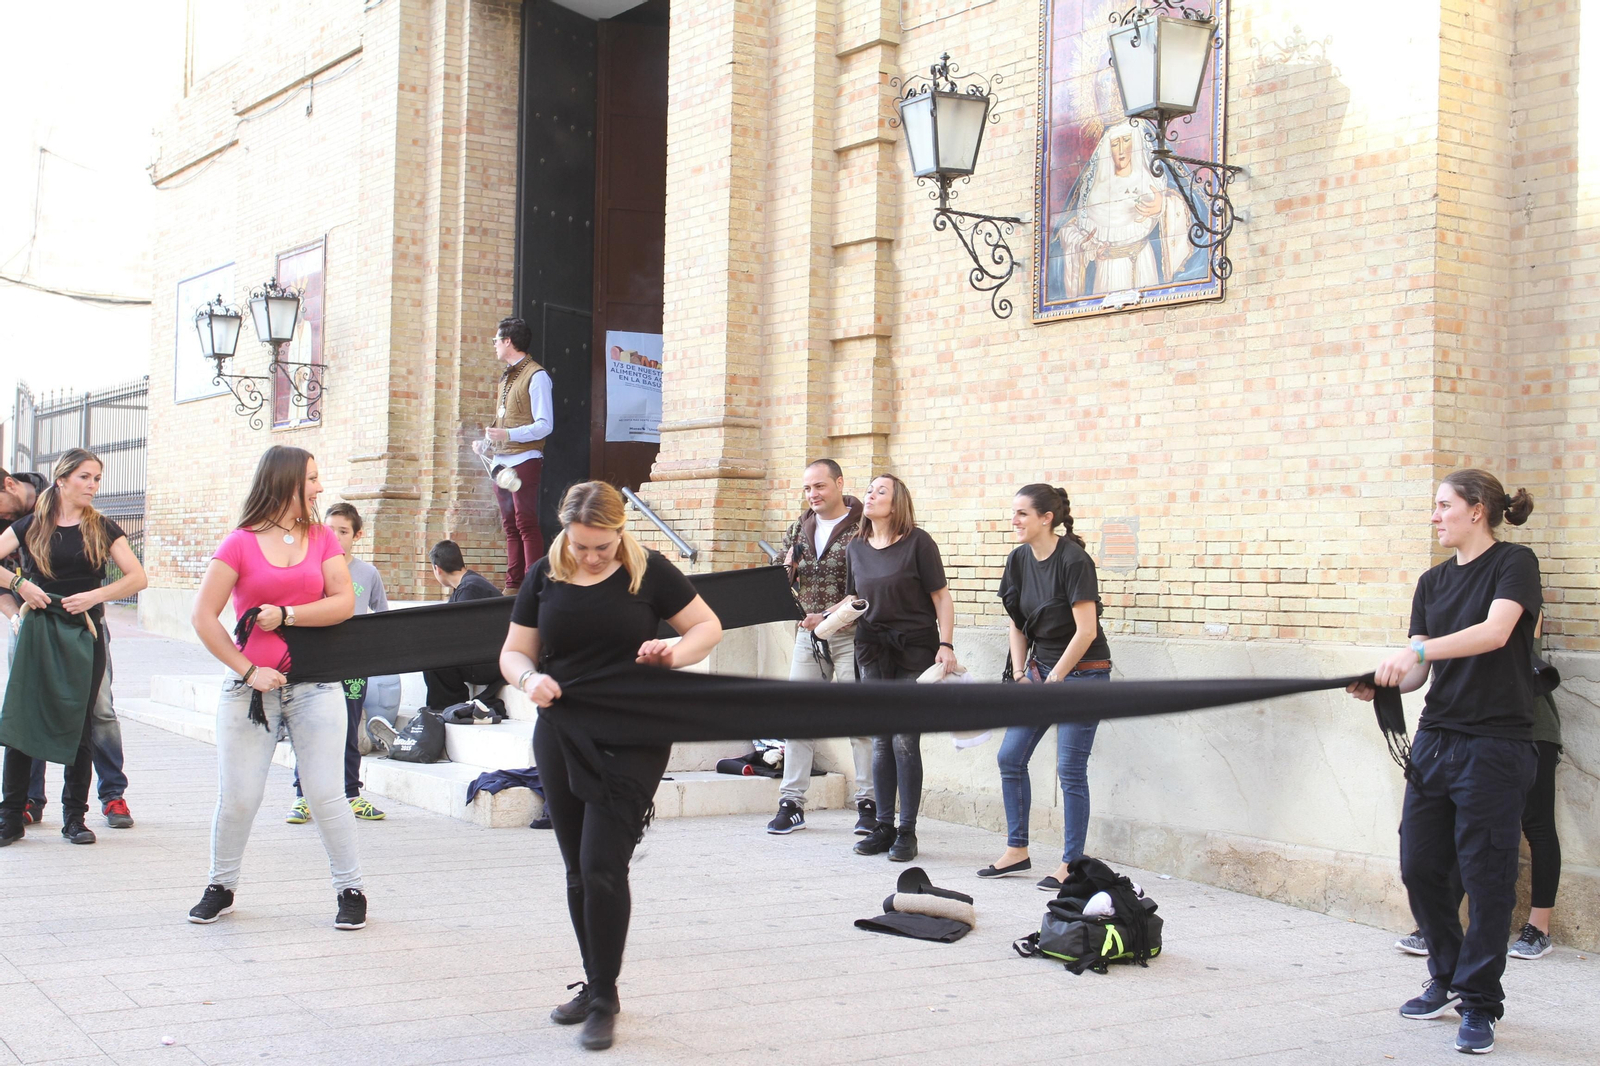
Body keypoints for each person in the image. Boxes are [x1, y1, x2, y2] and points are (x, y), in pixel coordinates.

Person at [499, 481, 721, 1051]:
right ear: (565, 533)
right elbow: (513, 651)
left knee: (602, 863)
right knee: (576, 868)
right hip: (563, 729)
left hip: (634, 728)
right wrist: (529, 679)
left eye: (602, 545)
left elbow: (706, 628)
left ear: (621, 531)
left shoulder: (650, 572)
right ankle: (596, 982)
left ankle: (604, 999)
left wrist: (670, 652)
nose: (592, 556)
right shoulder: (544, 575)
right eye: (581, 545)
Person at [1349, 469, 1541, 1055]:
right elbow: (1417, 674)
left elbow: (1495, 632)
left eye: (1442, 506)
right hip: (1437, 740)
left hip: (1497, 745)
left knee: (1486, 878)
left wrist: (1416, 651)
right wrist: (1383, 683)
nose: (1434, 516)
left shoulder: (1515, 563)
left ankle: (1480, 1001)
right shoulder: (1431, 583)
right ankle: (1448, 973)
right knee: (1420, 864)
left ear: (1477, 510)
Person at [187, 445, 365, 930]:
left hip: (316, 686)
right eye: (311, 478)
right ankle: (220, 887)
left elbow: (343, 601)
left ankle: (351, 889)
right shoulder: (240, 542)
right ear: (286, 481)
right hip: (250, 694)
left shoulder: (324, 537)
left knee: (327, 792)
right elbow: (203, 617)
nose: (319, 487)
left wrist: (287, 615)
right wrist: (247, 670)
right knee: (240, 796)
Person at [1392, 612, 1565, 964]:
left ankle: (1539, 928)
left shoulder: (1517, 596)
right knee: (1458, 827)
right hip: (1464, 730)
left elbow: (1491, 638)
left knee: (1536, 824)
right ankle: (1438, 927)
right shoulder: (1444, 591)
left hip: (1527, 727)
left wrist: (1426, 649)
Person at [0, 449, 147, 846]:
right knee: (22, 719)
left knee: (81, 721)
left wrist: (93, 595)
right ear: (62, 480)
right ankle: (11, 815)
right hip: (37, 631)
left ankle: (74, 818)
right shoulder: (34, 524)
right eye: (85, 477)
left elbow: (137, 578)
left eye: (97, 478)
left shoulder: (101, 527)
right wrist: (18, 584)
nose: (93, 485)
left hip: (85, 631)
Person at [980, 484, 1112, 890]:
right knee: (1010, 757)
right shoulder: (1019, 559)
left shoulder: (1074, 560)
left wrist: (1056, 679)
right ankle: (1017, 850)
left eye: (1022, 514)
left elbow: (1086, 631)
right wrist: (1022, 673)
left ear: (1045, 518)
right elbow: (1017, 621)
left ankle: (1072, 863)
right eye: (1013, 513)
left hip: (1083, 672)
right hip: (1040, 672)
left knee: (1070, 770)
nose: (1014, 521)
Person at [839, 474, 957, 864]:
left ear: (897, 502)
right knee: (881, 738)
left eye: (880, 491)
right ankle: (883, 826)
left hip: (915, 648)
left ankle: (907, 831)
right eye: (869, 490)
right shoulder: (855, 547)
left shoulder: (918, 542)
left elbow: (941, 597)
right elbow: (854, 598)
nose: (870, 496)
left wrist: (946, 644)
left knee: (905, 739)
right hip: (872, 647)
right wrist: (833, 616)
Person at [766, 459, 876, 836]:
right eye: (808, 488)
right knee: (798, 716)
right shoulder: (800, 524)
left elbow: (869, 586)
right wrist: (784, 570)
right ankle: (791, 803)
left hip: (851, 634)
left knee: (858, 722)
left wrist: (827, 614)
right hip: (808, 636)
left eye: (820, 486)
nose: (813, 494)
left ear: (840, 483)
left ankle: (869, 804)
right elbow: (778, 570)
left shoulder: (865, 526)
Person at [286, 502, 387, 824]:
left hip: (353, 666)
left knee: (348, 728)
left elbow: (382, 618)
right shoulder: (309, 569)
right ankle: (303, 796)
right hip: (315, 664)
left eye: (343, 531)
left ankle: (351, 794)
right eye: (329, 530)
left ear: (357, 535)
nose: (335, 537)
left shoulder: (368, 574)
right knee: (309, 730)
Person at [473, 316, 553, 593]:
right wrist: (485, 442)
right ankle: (513, 585)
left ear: (508, 341)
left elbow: (545, 425)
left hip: (525, 458)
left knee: (525, 521)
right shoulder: (506, 375)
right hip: (501, 460)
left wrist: (507, 435)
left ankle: (531, 584)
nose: (494, 345)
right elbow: (502, 419)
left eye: (496, 340)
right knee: (509, 524)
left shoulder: (537, 375)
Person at [420, 539, 505, 710]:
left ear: (437, 568)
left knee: (432, 655)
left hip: (491, 662)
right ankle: (447, 705)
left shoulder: (469, 589)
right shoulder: (469, 585)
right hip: (490, 657)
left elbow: (458, 634)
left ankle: (446, 706)